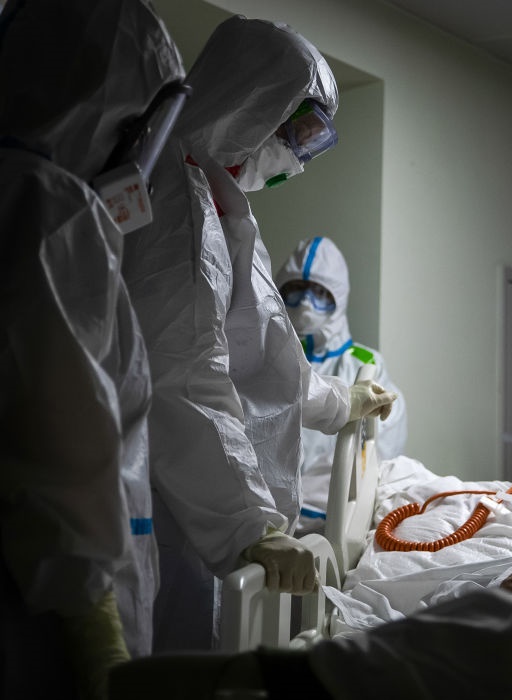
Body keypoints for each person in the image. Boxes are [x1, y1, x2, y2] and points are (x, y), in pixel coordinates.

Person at [121, 15, 395, 651]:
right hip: (175, 500)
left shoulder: (218, 204)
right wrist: (248, 526)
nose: (296, 156)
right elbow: (183, 376)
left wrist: (342, 402)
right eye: (296, 130)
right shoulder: (171, 203)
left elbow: (268, 359)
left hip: (206, 502)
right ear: (254, 104)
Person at [0, 0, 185, 695]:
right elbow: (56, 433)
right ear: (123, 113)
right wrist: (95, 621)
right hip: (51, 596)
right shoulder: (51, 207)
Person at [275, 236, 408, 533]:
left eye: (320, 292)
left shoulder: (365, 364)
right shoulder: (266, 357)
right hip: (263, 517)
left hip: (330, 521)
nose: (307, 302)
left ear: (339, 297)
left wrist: (315, 504)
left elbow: (377, 450)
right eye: (296, 289)